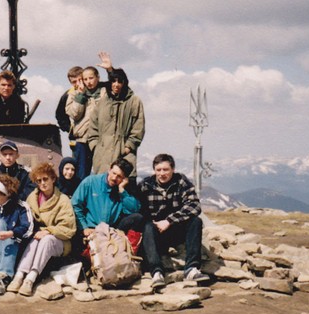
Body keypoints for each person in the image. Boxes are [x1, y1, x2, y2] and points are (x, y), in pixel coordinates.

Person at [136, 153, 209, 288]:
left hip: (176, 228)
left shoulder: (181, 181)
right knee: (147, 227)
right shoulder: (146, 185)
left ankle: (191, 269)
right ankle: (156, 272)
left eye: (166, 170)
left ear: (173, 169)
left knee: (196, 221)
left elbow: (194, 205)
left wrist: (169, 221)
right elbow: (136, 208)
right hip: (155, 232)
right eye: (158, 170)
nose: (162, 173)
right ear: (154, 171)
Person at [8, 162, 77, 297]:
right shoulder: (31, 199)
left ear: (53, 179)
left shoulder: (62, 200)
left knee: (46, 239)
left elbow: (68, 228)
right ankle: (19, 275)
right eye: (39, 181)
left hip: (59, 241)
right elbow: (26, 221)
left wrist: (48, 230)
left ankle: (30, 279)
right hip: (37, 237)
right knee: (34, 240)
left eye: (45, 179)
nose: (43, 183)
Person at [86, 67, 145, 186]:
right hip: (102, 157)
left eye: (119, 81)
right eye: (113, 81)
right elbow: (93, 127)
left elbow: (138, 127)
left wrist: (128, 147)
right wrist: (95, 147)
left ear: (124, 83)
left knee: (125, 193)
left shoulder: (134, 101)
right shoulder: (102, 102)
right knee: (103, 194)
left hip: (125, 156)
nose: (116, 84)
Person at [66, 52, 113, 180]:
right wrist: (80, 96)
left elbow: (118, 84)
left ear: (97, 77)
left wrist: (110, 69)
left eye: (91, 78)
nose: (88, 82)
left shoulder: (105, 91)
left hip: (102, 139)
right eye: (85, 79)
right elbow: (74, 115)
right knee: (81, 175)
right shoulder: (74, 94)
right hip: (82, 140)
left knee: (103, 174)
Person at [0, 174, 33, 295]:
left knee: (11, 237)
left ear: (6, 195)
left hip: (17, 248)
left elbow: (28, 229)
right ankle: (2, 274)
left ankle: (4, 276)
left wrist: (11, 233)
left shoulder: (21, 207)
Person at [71, 158, 140, 239]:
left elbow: (133, 210)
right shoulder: (91, 181)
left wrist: (122, 191)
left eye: (119, 176)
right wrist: (84, 227)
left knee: (137, 217)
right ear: (109, 169)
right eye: (114, 173)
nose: (114, 178)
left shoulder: (124, 189)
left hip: (112, 230)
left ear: (124, 179)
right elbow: (75, 205)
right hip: (91, 228)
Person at [54, 66, 83, 156]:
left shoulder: (91, 92)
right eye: (74, 82)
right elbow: (59, 115)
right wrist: (70, 129)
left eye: (80, 80)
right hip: (76, 138)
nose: (77, 84)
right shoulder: (66, 96)